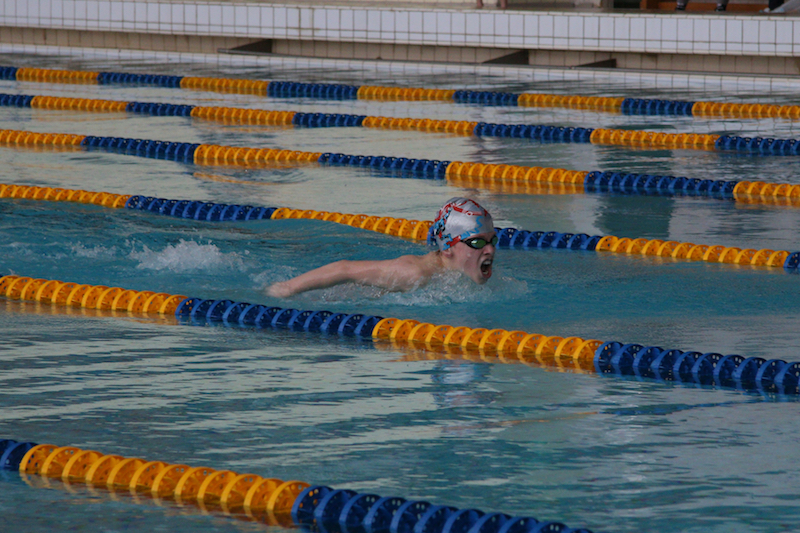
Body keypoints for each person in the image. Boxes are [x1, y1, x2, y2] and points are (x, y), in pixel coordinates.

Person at [266, 197, 497, 298]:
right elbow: (345, 269)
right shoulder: (414, 274)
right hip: (327, 298)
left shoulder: (455, 276)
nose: (490, 250)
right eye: (477, 242)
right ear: (448, 247)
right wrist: (287, 288)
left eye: (492, 240)